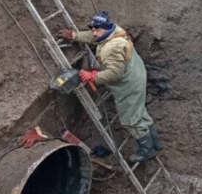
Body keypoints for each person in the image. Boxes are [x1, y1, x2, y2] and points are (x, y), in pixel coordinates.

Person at [58, 11, 161, 163]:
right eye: (92, 28)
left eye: (97, 28)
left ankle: (147, 150)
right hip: (136, 74)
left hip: (128, 86)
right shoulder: (114, 31)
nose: (94, 32)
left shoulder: (111, 48)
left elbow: (114, 74)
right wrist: (75, 36)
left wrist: (93, 77)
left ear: (105, 28)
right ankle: (155, 142)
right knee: (139, 112)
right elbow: (94, 36)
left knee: (130, 119)